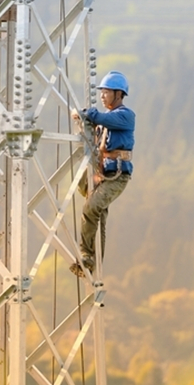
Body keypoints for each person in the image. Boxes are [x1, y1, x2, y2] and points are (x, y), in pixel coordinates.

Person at [70, 71, 135, 278]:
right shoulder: (106, 120)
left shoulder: (125, 116)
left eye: (106, 92)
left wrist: (86, 113)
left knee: (92, 208)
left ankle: (87, 257)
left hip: (117, 176)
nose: (102, 96)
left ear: (118, 94)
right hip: (102, 172)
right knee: (88, 198)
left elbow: (99, 117)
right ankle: (90, 254)